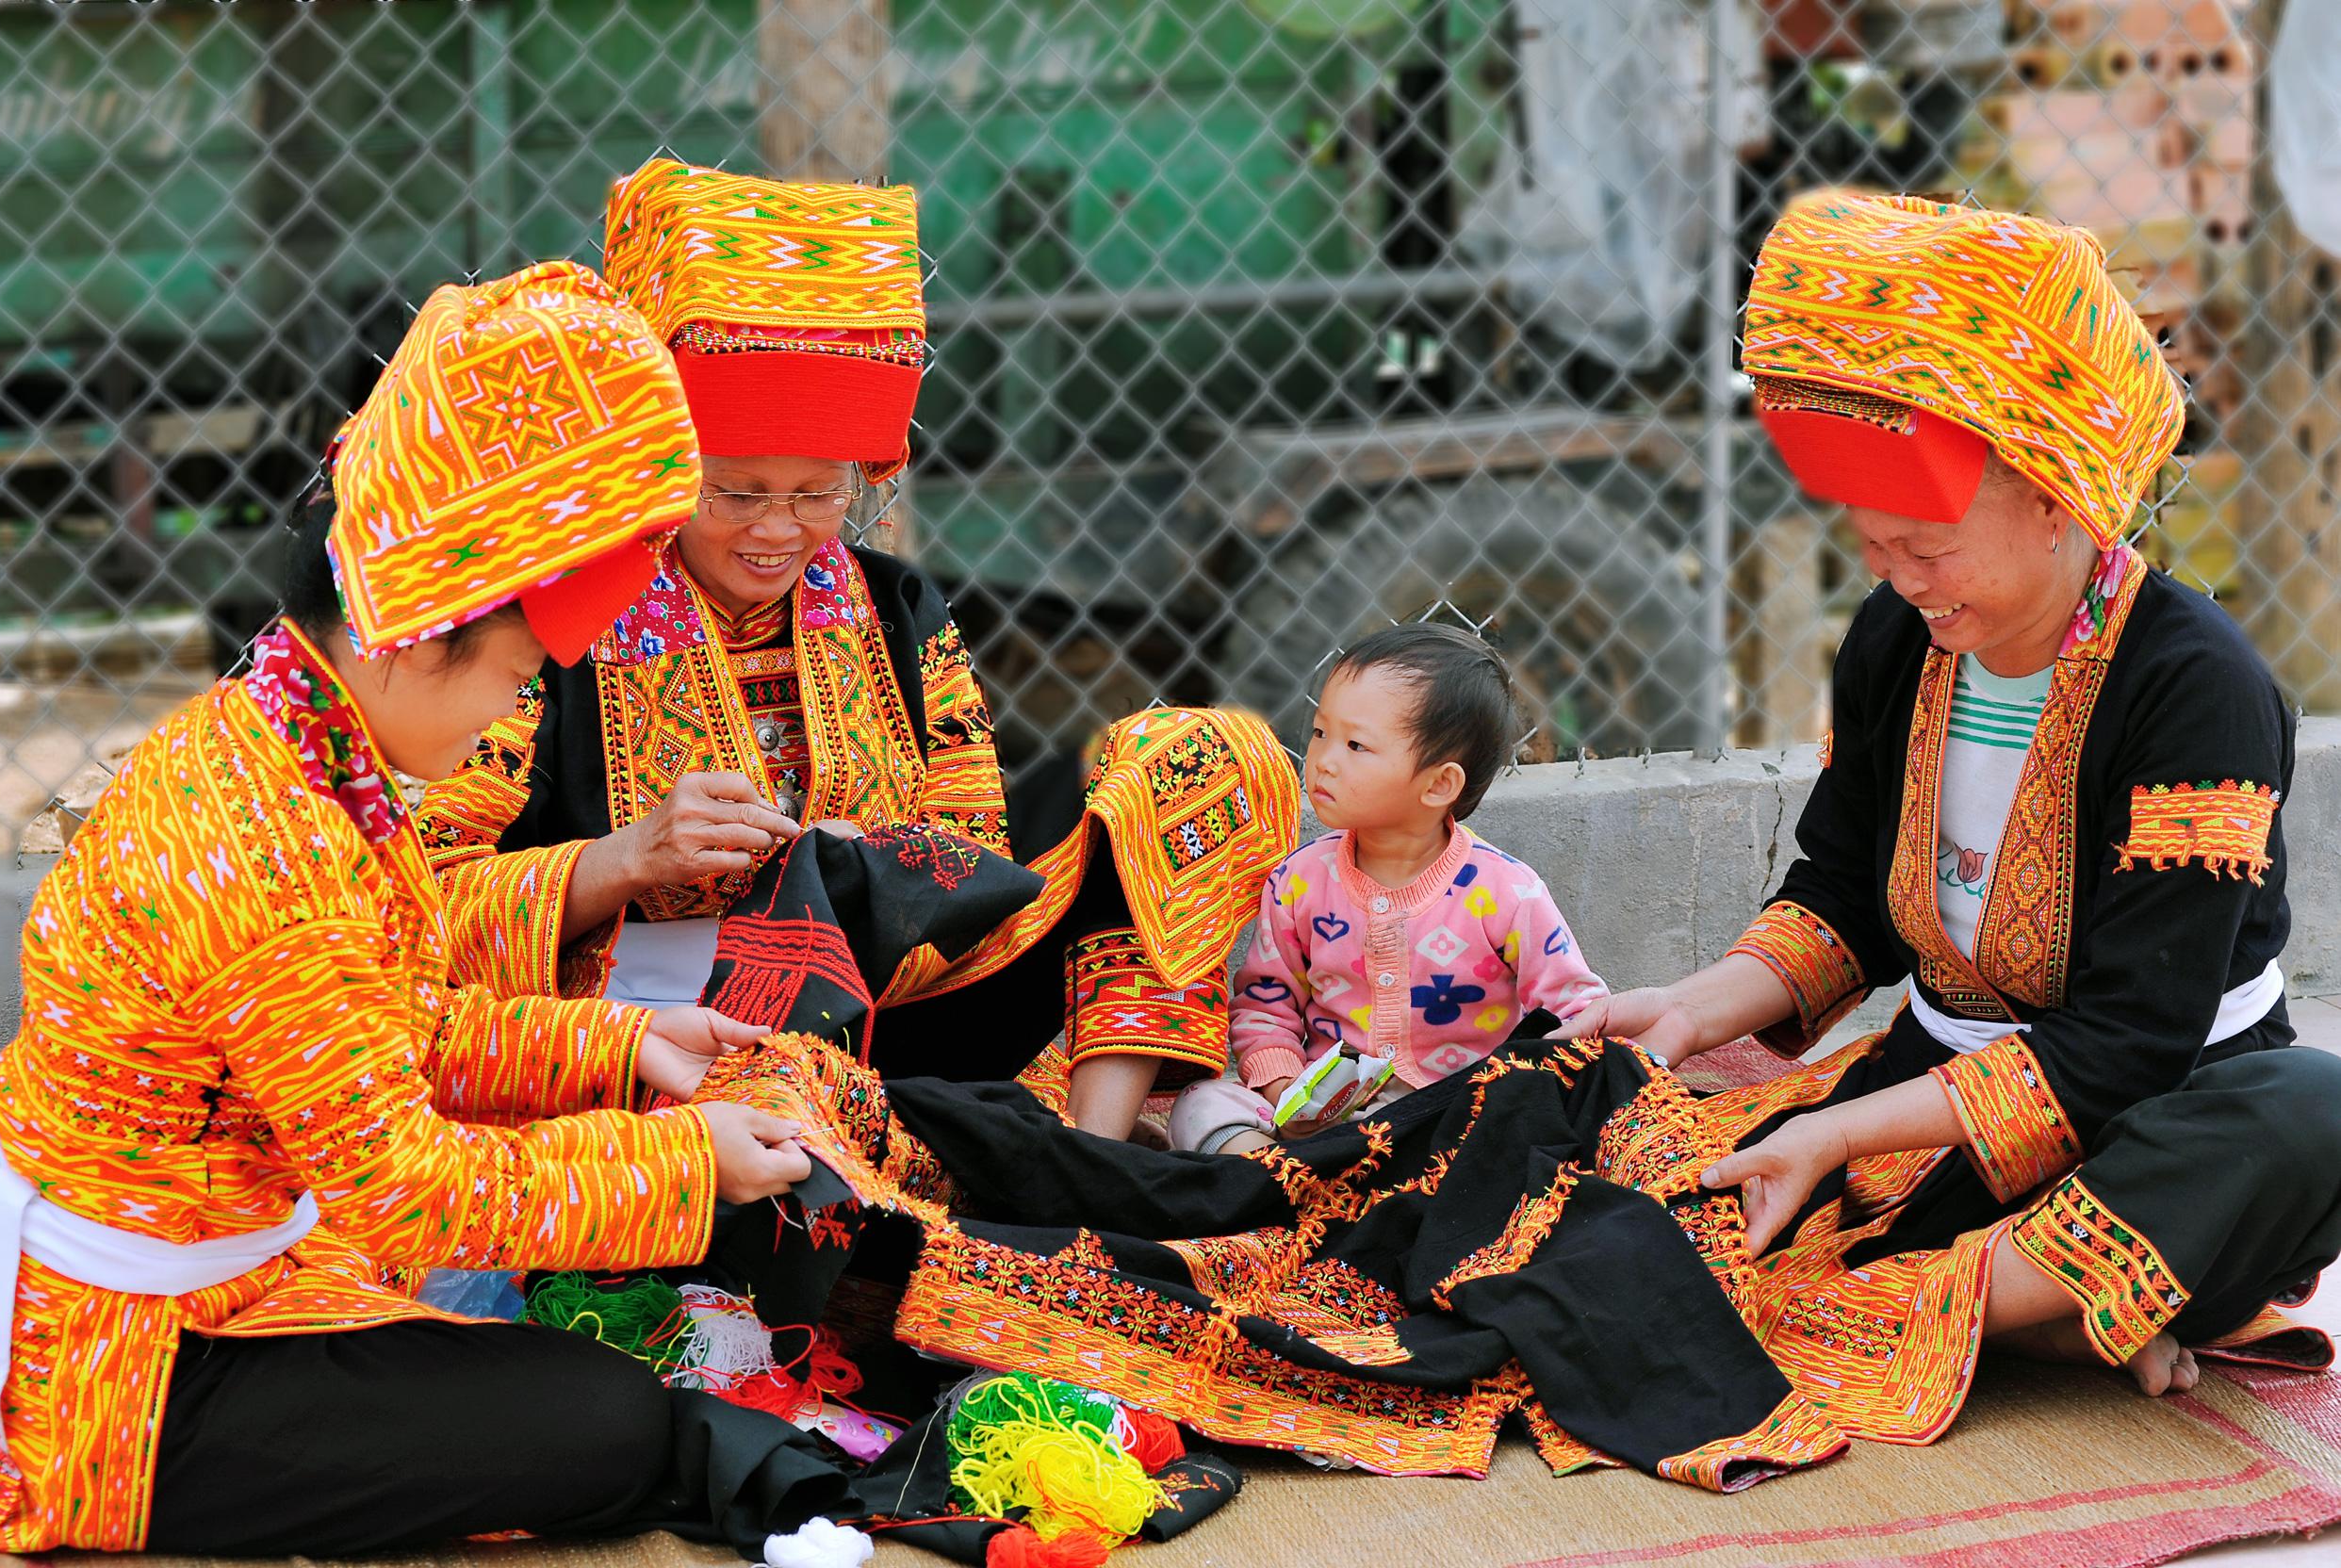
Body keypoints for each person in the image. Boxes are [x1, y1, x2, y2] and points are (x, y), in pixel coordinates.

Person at [0, 264, 830, 1555]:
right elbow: (402, 1189)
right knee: (604, 1420)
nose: (506, 713)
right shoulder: (266, 845)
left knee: (570, 1381)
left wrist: (619, 1046)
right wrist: (682, 1161)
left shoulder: (286, 738)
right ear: (405, 638)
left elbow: (383, 1033)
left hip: (225, 1263)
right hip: (126, 1364)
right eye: (510, 675)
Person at [1558, 190, 2341, 1440]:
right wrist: (1695, 1012)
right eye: (1874, 547)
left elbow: (2129, 1043)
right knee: (1587, 1166)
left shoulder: (2201, 691)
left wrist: (1840, 1131)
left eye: (1926, 547)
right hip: (1934, 1097)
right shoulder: (1896, 638)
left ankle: (1967, 1298)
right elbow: (1845, 896)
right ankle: (2040, 1312)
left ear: (2057, 503)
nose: (1898, 578)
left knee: (2313, 1112)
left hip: (2154, 1114)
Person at [417, 160, 1297, 1138]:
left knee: (1204, 759)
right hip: (668, 1037)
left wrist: (878, 866)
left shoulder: (892, 603)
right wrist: (629, 858)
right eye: (736, 493)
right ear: (667, 476)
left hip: (906, 1002)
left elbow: (975, 849)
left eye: (818, 493)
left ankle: (1093, 1147)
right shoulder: (554, 630)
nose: (778, 530)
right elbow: (425, 909)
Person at [1169, 625, 1608, 1153]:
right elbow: (1266, 1006)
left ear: (1439, 784)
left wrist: (1534, 1087)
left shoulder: (1508, 893)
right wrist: (1285, 1091)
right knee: (1201, 1103)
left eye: (1356, 744)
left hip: (1459, 1118)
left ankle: (1299, 1182)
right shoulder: (1299, 881)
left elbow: (1574, 1008)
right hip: (1331, 1121)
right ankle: (1277, 1172)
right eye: (1320, 732)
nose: (1323, 759)